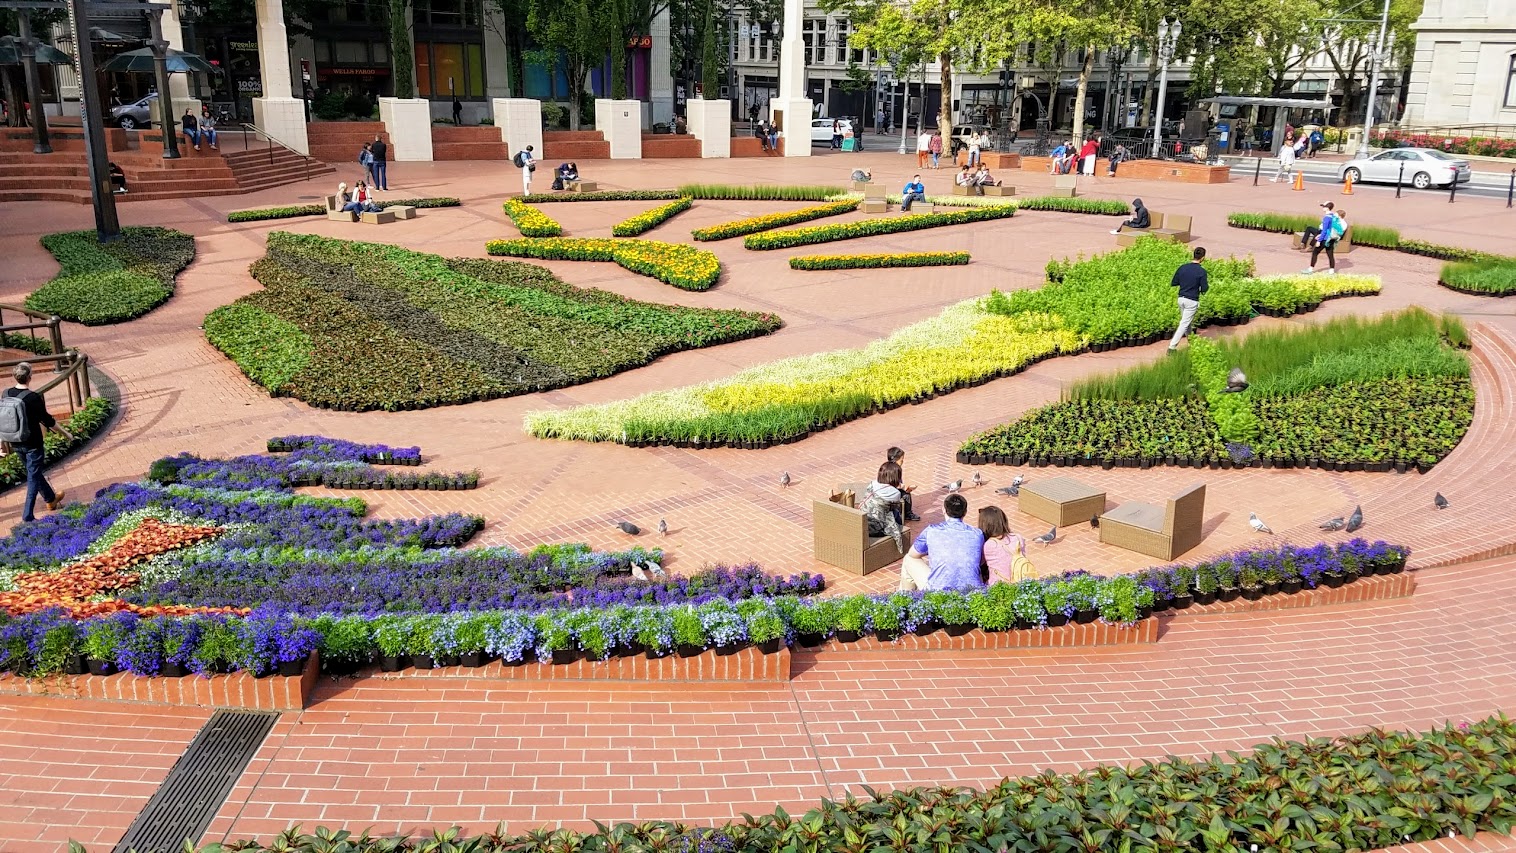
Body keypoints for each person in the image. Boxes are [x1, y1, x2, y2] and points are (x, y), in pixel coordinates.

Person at [0, 363, 74, 523]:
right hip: (32, 443)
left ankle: (50, 499)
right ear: (30, 377)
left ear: (15, 377)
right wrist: (67, 434)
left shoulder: (6, 394)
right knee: (32, 476)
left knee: (33, 472)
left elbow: (4, 419)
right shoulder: (33, 397)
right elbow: (48, 420)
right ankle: (28, 515)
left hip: (15, 441)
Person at [898, 494, 986, 592]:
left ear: (943, 510)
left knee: (908, 559)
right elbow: (980, 560)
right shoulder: (977, 534)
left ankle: (906, 601)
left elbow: (913, 554)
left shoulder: (931, 531)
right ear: (965, 512)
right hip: (972, 593)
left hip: (939, 593)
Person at [859, 461, 909, 555]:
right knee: (895, 512)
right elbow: (896, 504)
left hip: (862, 521)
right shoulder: (895, 493)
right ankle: (901, 537)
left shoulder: (872, 483)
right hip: (875, 528)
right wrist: (900, 488)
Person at [1169, 246, 1209, 352]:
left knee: (1187, 323)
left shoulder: (1183, 267)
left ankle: (1192, 342)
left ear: (1193, 255)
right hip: (1191, 300)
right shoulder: (1201, 271)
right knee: (1184, 323)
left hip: (1181, 299)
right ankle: (1172, 347)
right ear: (1203, 258)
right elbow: (1204, 288)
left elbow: (1174, 282)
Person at [978, 506, 1028, 585]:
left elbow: (979, 562)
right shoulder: (1018, 537)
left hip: (1000, 587)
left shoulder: (989, 545)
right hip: (1021, 581)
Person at [1303, 208, 1346, 276]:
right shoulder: (1344, 224)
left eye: (1336, 214)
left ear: (1339, 215)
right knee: (1330, 255)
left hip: (1325, 238)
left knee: (1315, 252)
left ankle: (1310, 269)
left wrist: (1319, 238)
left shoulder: (1335, 221)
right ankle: (1331, 271)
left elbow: (1327, 230)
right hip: (1332, 239)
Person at [885, 447, 920, 522]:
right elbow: (894, 484)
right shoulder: (896, 469)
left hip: (886, 490)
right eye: (901, 460)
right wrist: (905, 487)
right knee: (906, 495)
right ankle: (908, 514)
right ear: (895, 459)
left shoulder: (886, 467)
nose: (903, 461)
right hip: (891, 492)